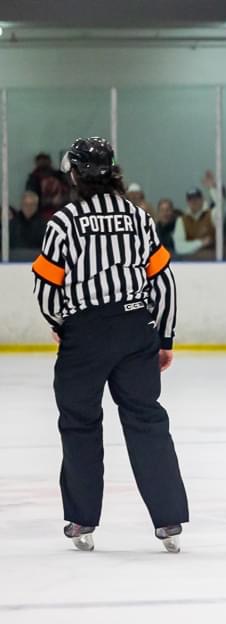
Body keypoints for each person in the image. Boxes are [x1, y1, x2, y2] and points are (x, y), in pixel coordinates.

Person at [30, 137, 187, 552]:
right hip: (137, 328)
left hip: (85, 334)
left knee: (80, 423)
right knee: (146, 419)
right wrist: (163, 336)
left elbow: (46, 286)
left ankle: (82, 520)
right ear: (114, 171)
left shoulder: (64, 222)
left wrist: (61, 324)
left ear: (76, 174)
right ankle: (169, 519)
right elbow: (164, 282)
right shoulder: (139, 218)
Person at [25, 152, 70, 220]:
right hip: (42, 212)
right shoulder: (34, 179)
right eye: (41, 162)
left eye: (44, 161)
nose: (43, 164)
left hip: (60, 210)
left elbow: (68, 190)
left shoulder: (58, 176)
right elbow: (31, 196)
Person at [9, 190, 47, 260]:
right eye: (26, 204)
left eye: (32, 204)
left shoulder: (44, 226)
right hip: (13, 264)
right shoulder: (11, 225)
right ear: (21, 205)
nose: (28, 207)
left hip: (37, 264)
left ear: (36, 206)